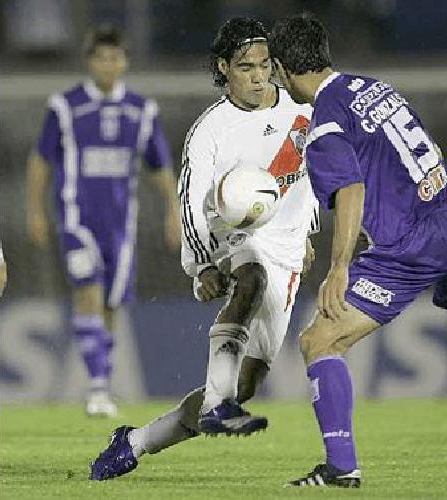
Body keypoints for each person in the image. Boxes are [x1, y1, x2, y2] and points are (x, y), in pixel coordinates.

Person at [267, 14, 447, 488]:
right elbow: (428, 145)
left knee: (319, 341)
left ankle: (341, 468)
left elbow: (349, 190)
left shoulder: (325, 123)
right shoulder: (376, 87)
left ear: (283, 69)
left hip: (416, 241)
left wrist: (339, 267)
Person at [88, 17, 320, 481]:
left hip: (289, 252)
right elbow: (190, 202)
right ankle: (217, 403)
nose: (258, 76)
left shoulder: (302, 110)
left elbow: (318, 174)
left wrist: (310, 231)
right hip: (231, 237)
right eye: (245, 67)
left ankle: (136, 441)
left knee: (247, 383)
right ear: (223, 68)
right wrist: (200, 265)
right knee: (250, 275)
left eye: (264, 66)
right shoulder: (211, 131)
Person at [25, 25, 180, 418]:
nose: (108, 64)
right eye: (100, 57)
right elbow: (40, 161)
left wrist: (173, 211)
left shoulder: (142, 111)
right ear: (89, 62)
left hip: (121, 226)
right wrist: (35, 210)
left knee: (110, 305)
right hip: (76, 219)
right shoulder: (65, 107)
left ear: (124, 61)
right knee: (88, 290)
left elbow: (159, 167)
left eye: (115, 57)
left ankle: (101, 383)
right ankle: (96, 388)